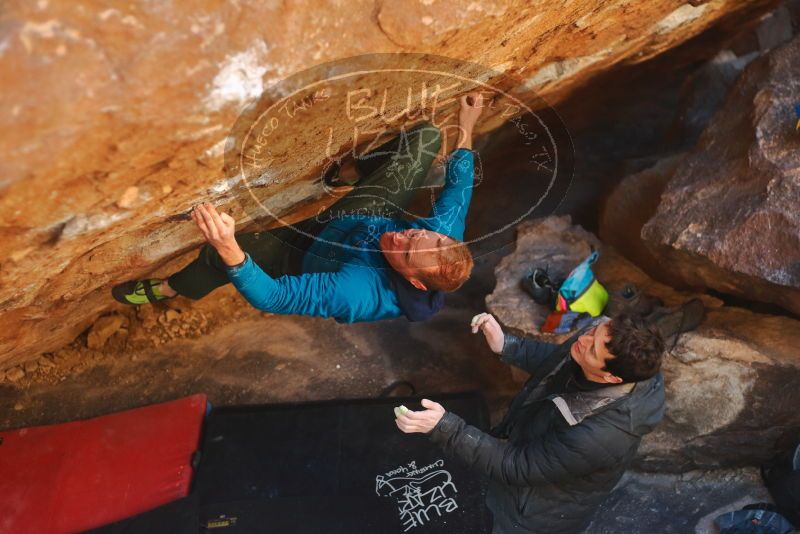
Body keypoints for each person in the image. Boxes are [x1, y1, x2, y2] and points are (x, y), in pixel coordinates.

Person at [112, 93, 485, 323]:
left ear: (414, 281)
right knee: (427, 139)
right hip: (361, 218)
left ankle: (171, 288)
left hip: (303, 253)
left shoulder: (357, 292)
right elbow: (459, 190)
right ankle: (346, 174)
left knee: (218, 257)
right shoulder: (438, 241)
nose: (404, 235)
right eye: (417, 232)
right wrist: (467, 127)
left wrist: (228, 246)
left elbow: (274, 298)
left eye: (405, 248)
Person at [395, 312, 666, 534]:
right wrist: (508, 345)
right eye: (594, 331)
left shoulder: (599, 436)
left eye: (592, 348)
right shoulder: (605, 353)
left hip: (533, 509)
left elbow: (518, 466)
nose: (584, 338)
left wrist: (446, 428)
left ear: (610, 379)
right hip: (536, 454)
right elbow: (561, 361)